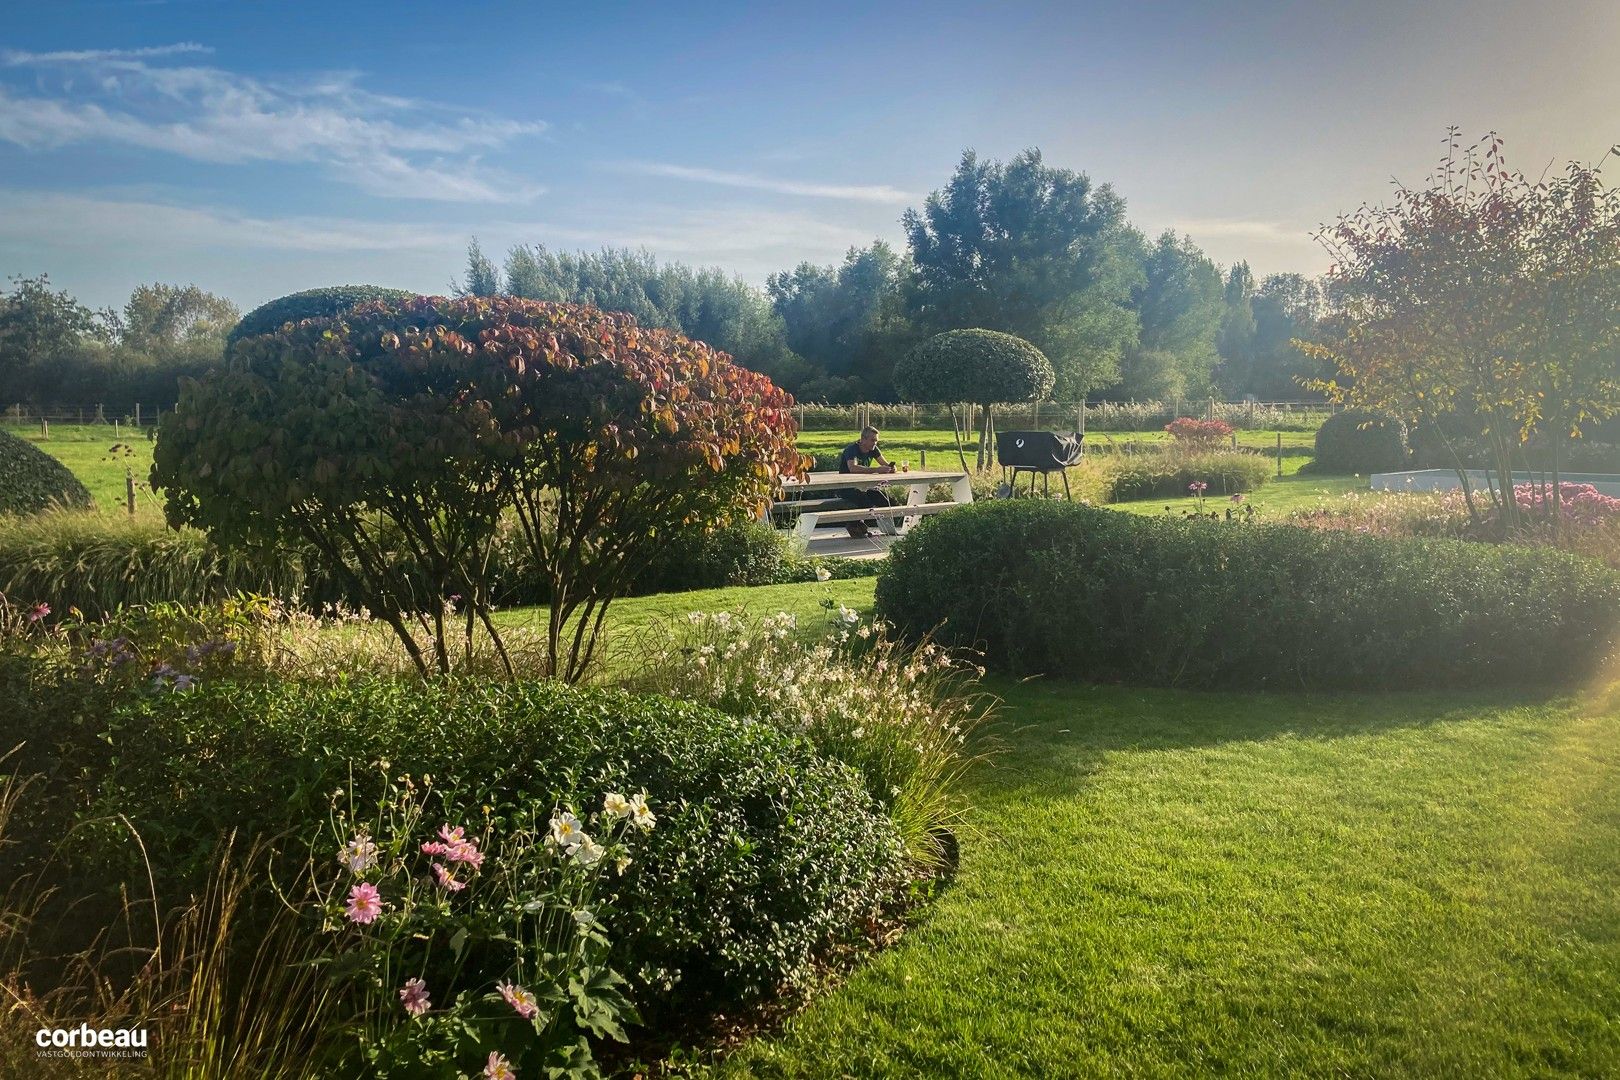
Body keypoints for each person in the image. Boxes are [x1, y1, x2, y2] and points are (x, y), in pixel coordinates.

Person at [838, 426, 899, 538]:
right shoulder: (852, 450)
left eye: (876, 440)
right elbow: (853, 468)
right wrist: (876, 470)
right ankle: (854, 526)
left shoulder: (874, 450)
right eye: (872, 440)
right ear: (863, 439)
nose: (874, 443)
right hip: (846, 487)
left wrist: (891, 468)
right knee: (866, 502)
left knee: (885, 500)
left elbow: (884, 464)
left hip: (863, 487)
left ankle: (888, 529)